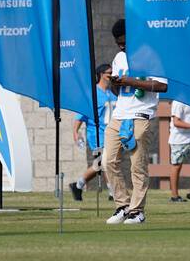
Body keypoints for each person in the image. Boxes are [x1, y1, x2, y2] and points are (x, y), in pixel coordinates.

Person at [105, 19, 167, 225]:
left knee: (137, 165)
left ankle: (137, 211)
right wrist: (114, 83)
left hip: (141, 114)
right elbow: (117, 90)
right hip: (119, 114)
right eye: (118, 43)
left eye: (124, 42)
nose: (122, 47)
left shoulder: (150, 54)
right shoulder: (118, 57)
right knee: (108, 161)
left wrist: (131, 81)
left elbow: (162, 86)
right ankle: (122, 206)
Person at [70, 63, 116, 202]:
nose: (112, 75)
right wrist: (75, 133)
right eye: (109, 73)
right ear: (101, 74)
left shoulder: (112, 93)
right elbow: (80, 117)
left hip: (111, 133)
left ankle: (78, 185)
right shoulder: (92, 94)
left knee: (99, 164)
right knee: (105, 161)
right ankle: (112, 192)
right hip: (96, 134)